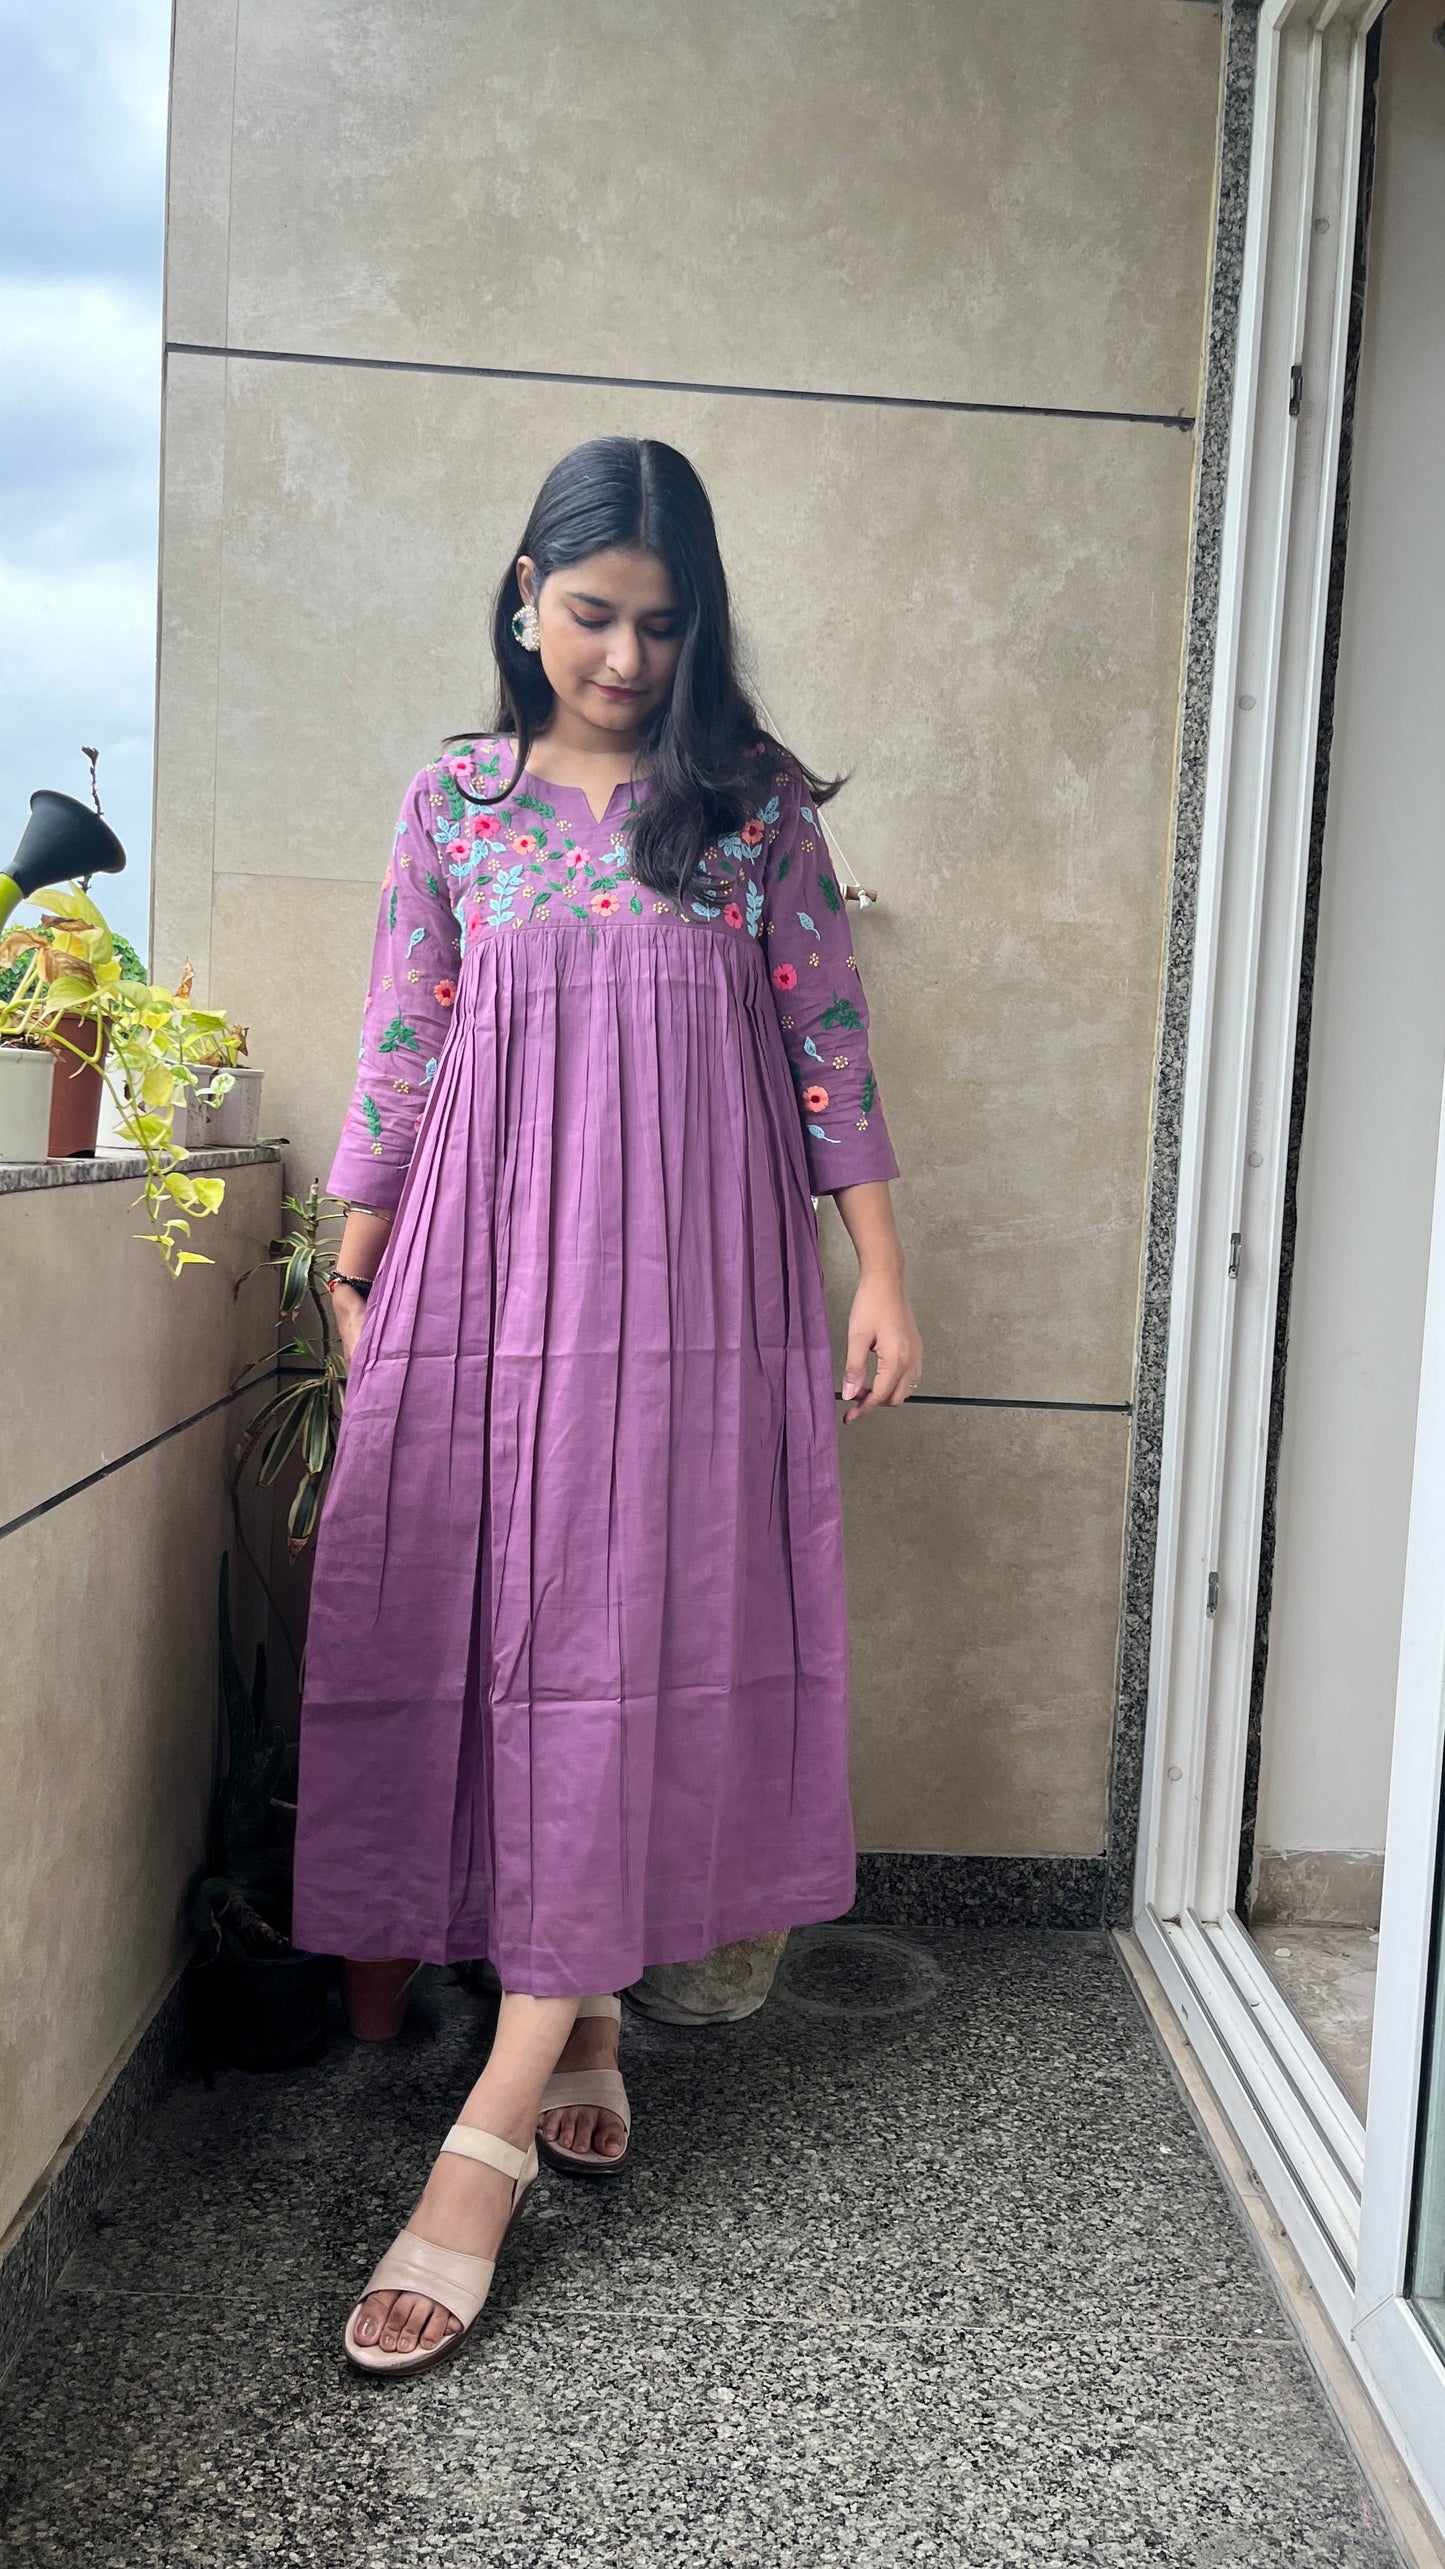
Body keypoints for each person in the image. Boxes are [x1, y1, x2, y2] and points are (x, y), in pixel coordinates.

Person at [289, 435, 924, 2375]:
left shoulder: (749, 808)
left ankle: (482, 2136)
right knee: (516, 1636)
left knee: (631, 1636)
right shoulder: (456, 803)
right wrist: (350, 1253)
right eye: (590, 614)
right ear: (523, 593)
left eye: (661, 622)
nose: (626, 658)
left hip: (696, 1288)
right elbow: (404, 1033)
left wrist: (884, 1269)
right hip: (489, 1267)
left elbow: (827, 1040)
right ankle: (581, 2015)